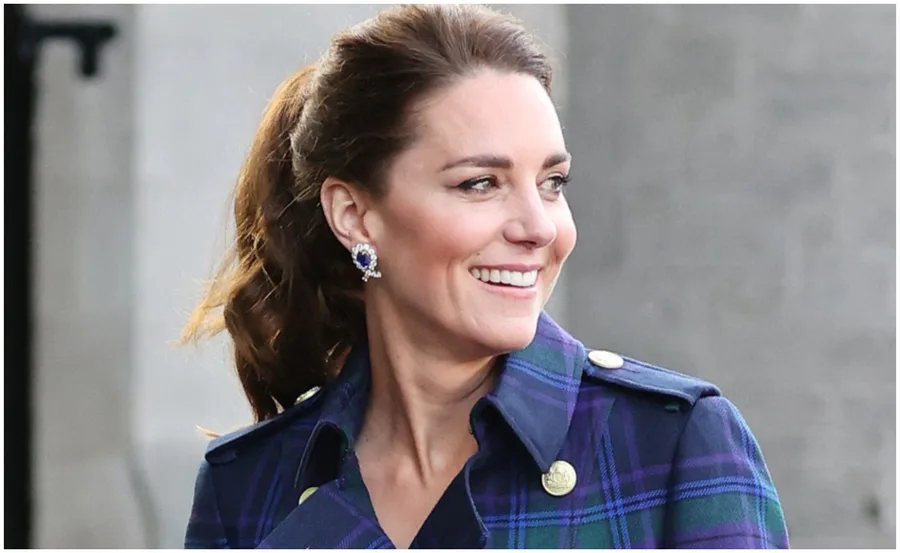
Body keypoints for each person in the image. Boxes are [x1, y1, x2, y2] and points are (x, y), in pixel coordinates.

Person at [181, 4, 789, 549]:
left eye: (552, 184)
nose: (539, 227)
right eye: (481, 183)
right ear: (356, 215)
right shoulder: (248, 488)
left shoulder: (673, 447)